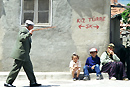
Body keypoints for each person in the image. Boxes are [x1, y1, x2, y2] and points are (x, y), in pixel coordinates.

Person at [4, 20, 41, 87]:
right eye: (32, 26)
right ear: (29, 26)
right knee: (15, 69)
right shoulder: (23, 30)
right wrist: (29, 34)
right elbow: (22, 38)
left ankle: (33, 82)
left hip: (25, 55)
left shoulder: (26, 31)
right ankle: (8, 82)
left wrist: (29, 33)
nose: (33, 27)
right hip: (21, 55)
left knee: (29, 69)